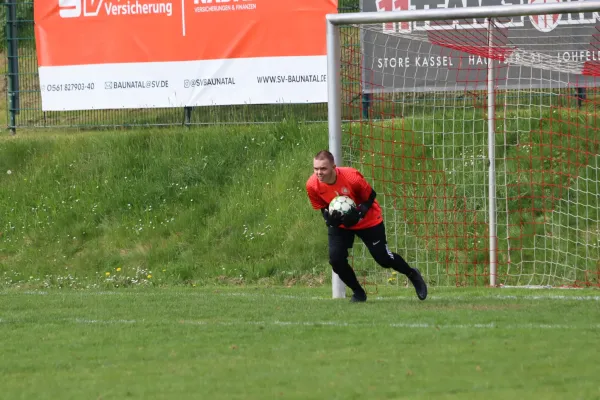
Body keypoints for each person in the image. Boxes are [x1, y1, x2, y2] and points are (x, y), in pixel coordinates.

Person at [305, 150, 428, 302]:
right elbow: (323, 207)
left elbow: (370, 197)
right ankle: (358, 292)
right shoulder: (312, 185)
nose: (319, 172)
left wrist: (358, 214)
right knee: (336, 260)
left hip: (368, 220)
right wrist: (330, 220)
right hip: (342, 225)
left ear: (334, 167)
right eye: (316, 168)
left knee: (383, 260)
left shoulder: (352, 177)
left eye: (323, 168)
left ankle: (412, 274)